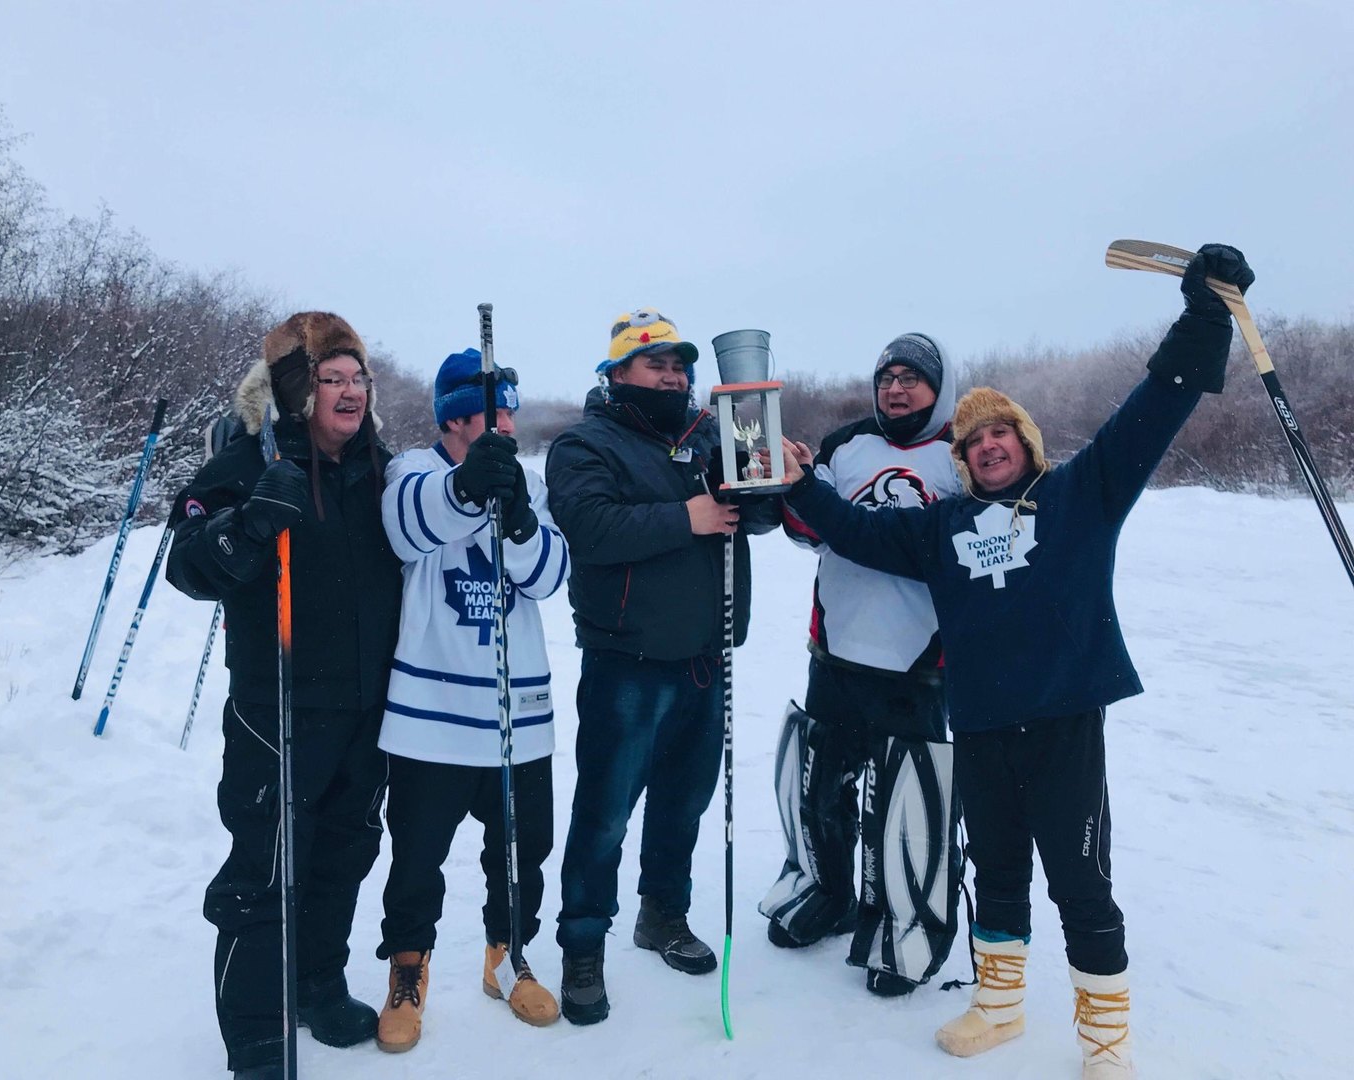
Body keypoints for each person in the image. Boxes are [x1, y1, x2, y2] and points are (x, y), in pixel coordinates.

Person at [779, 245, 1255, 1078]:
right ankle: (997, 1008)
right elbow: (852, 531)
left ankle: (1105, 1042)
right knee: (996, 872)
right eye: (975, 440)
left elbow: (1156, 406)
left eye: (1003, 433)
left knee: (1079, 883)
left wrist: (1205, 315)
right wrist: (795, 480)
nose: (989, 445)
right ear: (961, 462)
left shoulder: (1081, 495)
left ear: (1028, 445)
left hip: (1065, 722)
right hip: (984, 724)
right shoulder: (941, 526)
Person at [166, 312, 402, 1080]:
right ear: (295, 391)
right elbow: (189, 566)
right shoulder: (246, 462)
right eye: (329, 377)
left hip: (367, 708)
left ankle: (317, 984)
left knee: (345, 854)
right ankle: (260, 1036)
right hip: (278, 708)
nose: (348, 391)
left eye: (356, 376)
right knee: (264, 871)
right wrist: (250, 521)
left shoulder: (380, 468)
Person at [545, 308, 780, 1025]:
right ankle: (583, 943)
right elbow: (589, 526)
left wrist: (766, 460)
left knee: (684, 802)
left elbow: (760, 517)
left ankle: (663, 915)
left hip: (706, 659)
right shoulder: (584, 443)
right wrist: (690, 516)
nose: (673, 376)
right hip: (628, 659)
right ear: (617, 374)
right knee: (607, 811)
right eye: (656, 364)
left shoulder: (707, 436)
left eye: (680, 364)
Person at [373, 349, 570, 1051]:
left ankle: (507, 958)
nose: (510, 423)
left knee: (523, 851)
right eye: (497, 410)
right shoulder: (414, 471)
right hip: (433, 719)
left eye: (513, 410)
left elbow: (549, 574)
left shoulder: (530, 483)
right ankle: (407, 970)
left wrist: (516, 517)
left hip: (520, 719)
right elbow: (408, 527)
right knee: (418, 856)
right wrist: (465, 492)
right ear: (457, 417)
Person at [759, 333, 964, 997]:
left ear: (941, 386)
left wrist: (826, 507)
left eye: (913, 377)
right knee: (817, 783)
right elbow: (807, 528)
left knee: (909, 801)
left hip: (920, 662)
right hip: (838, 650)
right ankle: (828, 892)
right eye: (888, 377)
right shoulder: (847, 445)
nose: (896, 388)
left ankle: (905, 926)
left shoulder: (962, 452)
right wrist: (783, 483)